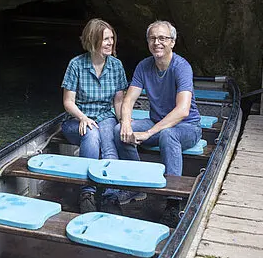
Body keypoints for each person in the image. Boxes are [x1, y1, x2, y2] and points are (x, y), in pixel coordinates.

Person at [114, 20, 202, 227]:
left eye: (162, 38)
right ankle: (136, 185)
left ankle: (173, 202)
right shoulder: (144, 66)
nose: (157, 42)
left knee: (168, 134)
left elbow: (182, 110)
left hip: (188, 127)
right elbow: (128, 100)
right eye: (153, 38)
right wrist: (125, 122)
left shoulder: (182, 67)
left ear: (172, 42)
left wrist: (148, 133)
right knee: (119, 130)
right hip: (156, 123)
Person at [61, 18, 134, 213]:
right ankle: (87, 192)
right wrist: (83, 117)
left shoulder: (116, 65)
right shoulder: (76, 65)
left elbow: (118, 101)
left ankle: (111, 194)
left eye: (111, 38)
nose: (110, 42)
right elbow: (68, 102)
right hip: (77, 119)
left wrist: (124, 123)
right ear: (92, 40)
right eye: (105, 39)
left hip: (105, 117)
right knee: (92, 135)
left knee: (109, 141)